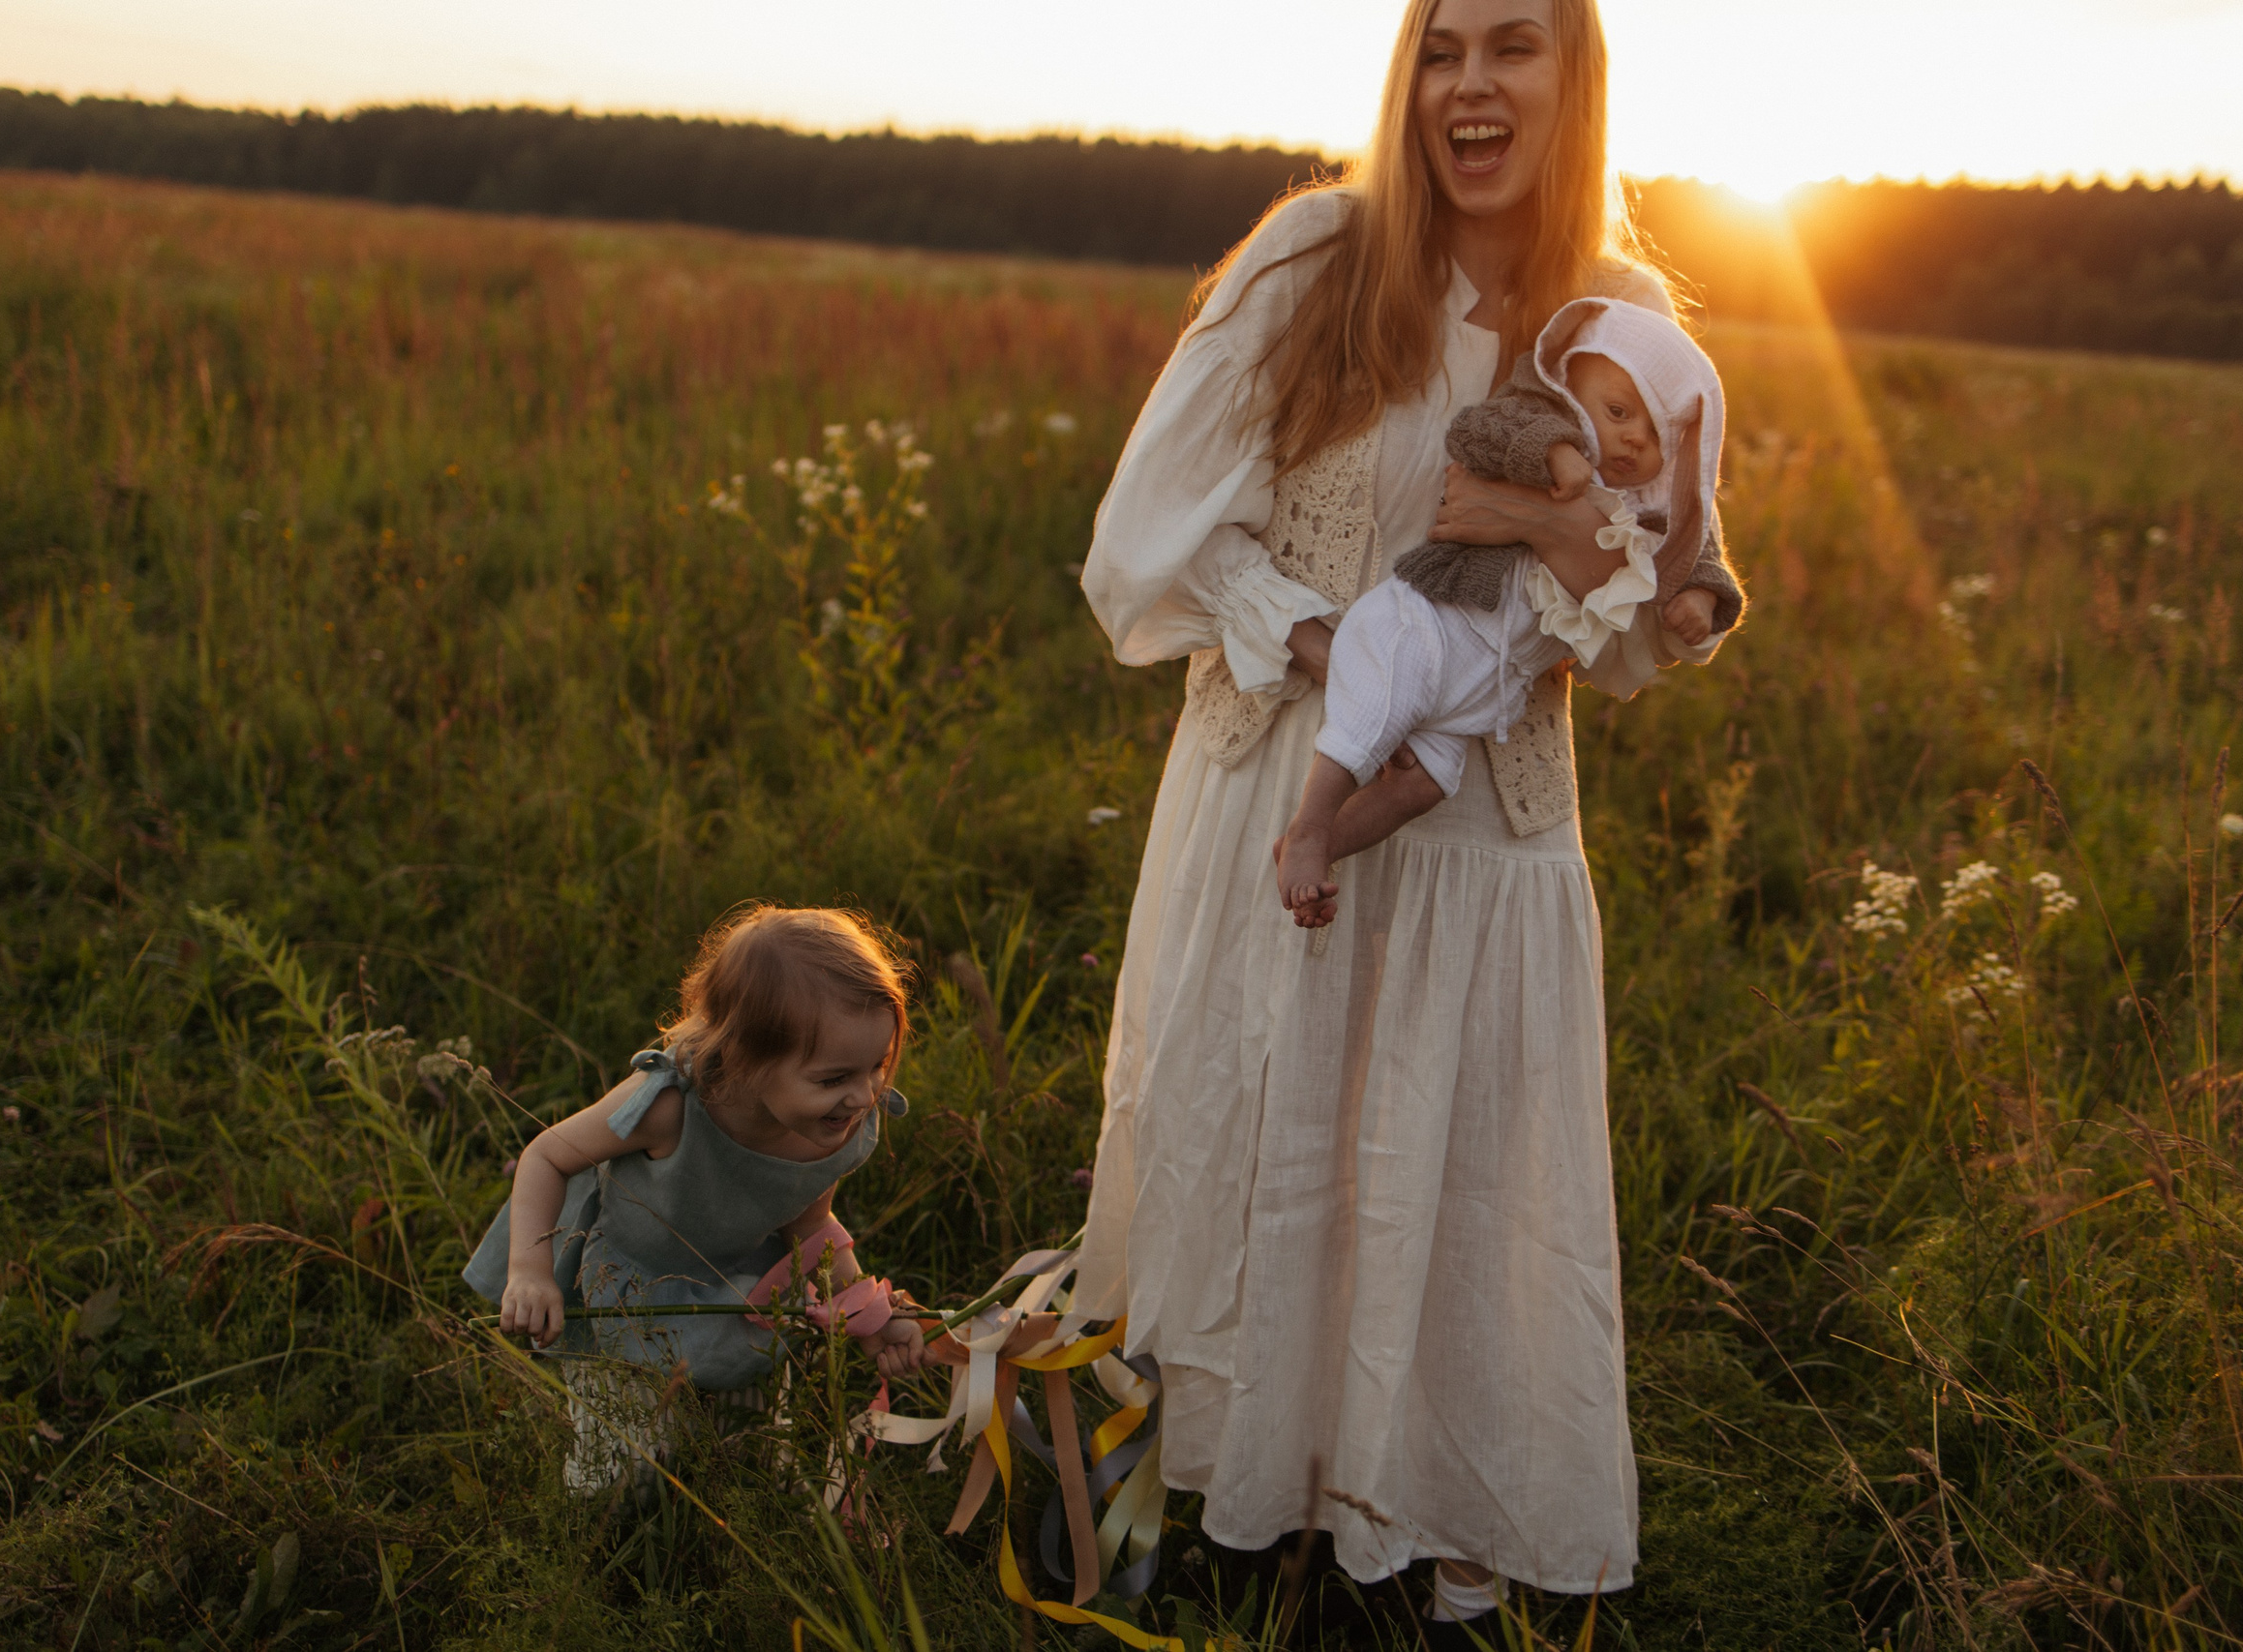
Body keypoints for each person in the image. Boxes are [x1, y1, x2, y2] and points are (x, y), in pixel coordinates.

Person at [1071, 0, 1745, 1635]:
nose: (1468, 86)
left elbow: (1650, 624)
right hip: (1282, 792)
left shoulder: (1628, 316)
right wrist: (1331, 650)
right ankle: (1233, 1493)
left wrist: (1652, 594)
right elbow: (1146, 542)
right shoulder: (1315, 260)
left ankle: (1417, 1526)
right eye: (1441, 49)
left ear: (1573, 77)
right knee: (1269, 1150)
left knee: (1450, 1188)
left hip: (1483, 835)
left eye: (1511, 47)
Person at [1276, 297, 1734, 924]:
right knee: (1371, 717)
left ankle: (1321, 850)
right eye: (1620, 412)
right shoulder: (1539, 415)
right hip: (1429, 621)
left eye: (1656, 435)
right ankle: (1309, 827)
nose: (1633, 438)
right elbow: (1479, 431)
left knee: (1426, 783)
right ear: (1569, 383)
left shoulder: (1651, 506)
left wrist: (1701, 596)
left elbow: (1695, 545)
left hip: (1485, 689)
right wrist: (1553, 451)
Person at [463, 906, 928, 1492]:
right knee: (622, 1468)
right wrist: (530, 1271)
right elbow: (546, 1156)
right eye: (833, 1079)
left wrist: (869, 1318)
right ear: (744, 1059)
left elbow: (809, 1225)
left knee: (748, 1455)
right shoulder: (669, 1106)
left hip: (738, 1289)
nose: (862, 1096)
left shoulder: (835, 1126)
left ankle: (735, 1524)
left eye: (877, 1067)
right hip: (634, 1287)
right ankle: (613, 1554)